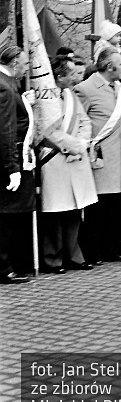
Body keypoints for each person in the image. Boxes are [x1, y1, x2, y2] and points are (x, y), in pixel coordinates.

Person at [74, 47, 121, 263]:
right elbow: (77, 122)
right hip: (102, 158)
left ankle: (113, 248)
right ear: (110, 67)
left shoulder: (120, 88)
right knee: (99, 209)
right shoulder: (85, 89)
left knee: (118, 206)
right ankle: (93, 251)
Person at [39, 56, 99, 273]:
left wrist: (81, 143)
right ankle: (52, 259)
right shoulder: (45, 97)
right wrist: (73, 146)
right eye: (72, 73)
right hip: (54, 158)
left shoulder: (71, 95)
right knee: (55, 212)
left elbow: (85, 121)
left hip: (76, 159)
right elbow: (46, 131)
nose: (75, 77)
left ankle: (74, 255)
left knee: (74, 210)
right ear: (59, 76)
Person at [0, 46, 36, 284]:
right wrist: (12, 168)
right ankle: (3, 267)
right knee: (7, 216)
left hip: (14, 156)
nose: (27, 68)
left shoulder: (8, 83)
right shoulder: (4, 87)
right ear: (14, 62)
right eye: (24, 63)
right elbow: (6, 130)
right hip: (10, 159)